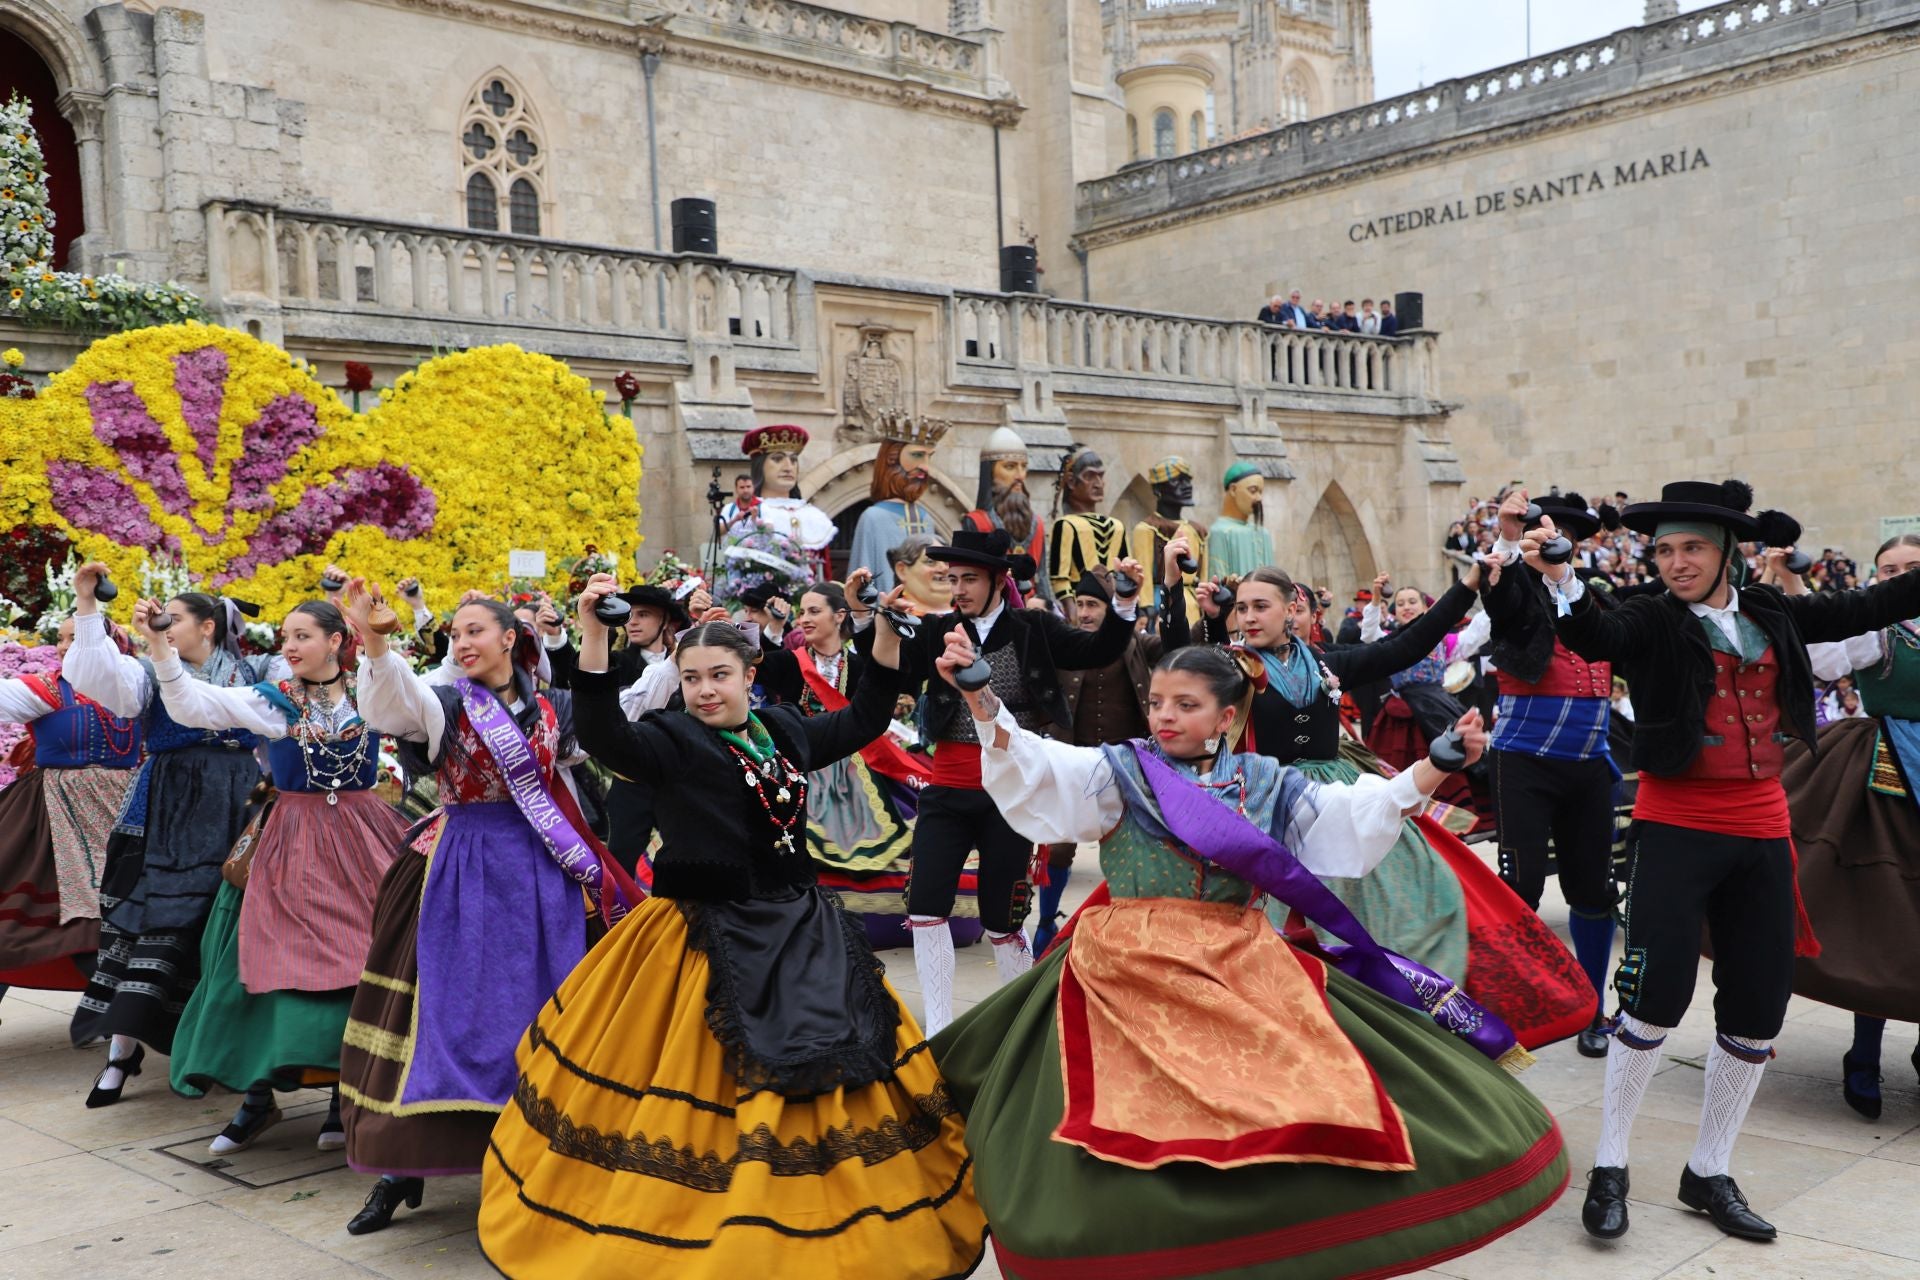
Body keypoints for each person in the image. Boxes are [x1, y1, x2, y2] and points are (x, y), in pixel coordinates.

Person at [927, 637, 1567, 1279]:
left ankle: (1276, 1242)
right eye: (1156, 703)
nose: (1164, 716)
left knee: (1303, 1096)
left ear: (1227, 716)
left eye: (1185, 703)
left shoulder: (1266, 783)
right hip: (1124, 965)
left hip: (1240, 956)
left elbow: (1349, 816)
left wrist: (1434, 764)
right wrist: (982, 697)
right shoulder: (1117, 770)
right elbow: (1038, 766)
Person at [476, 577, 987, 1278]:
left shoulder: (784, 729)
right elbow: (602, 735)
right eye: (691, 678)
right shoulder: (672, 740)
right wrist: (594, 636)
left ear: (751, 674)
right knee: (704, 1084)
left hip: (799, 926)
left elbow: (866, 716)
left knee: (835, 1062)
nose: (704, 690)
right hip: (699, 940)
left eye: (719, 675)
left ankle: (828, 1205)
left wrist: (888, 633)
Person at [1522, 479, 1920, 1243]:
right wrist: (1563, 576)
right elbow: (1594, 637)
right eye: (1665, 549)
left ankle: (1709, 1169)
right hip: (1675, 823)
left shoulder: (1770, 612)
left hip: (1765, 826)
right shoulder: (1649, 618)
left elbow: (1867, 608)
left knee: (1757, 1005)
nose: (1676, 562)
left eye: (1692, 548)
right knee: (1653, 997)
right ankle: (1611, 1164)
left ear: (1726, 553)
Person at [336, 585, 644, 1235]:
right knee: (442, 1017)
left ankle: (544, 1158)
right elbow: (394, 703)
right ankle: (403, 1168)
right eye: (456, 635)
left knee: (544, 1015)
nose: (464, 643)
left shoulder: (554, 707)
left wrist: (594, 629)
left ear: (511, 638)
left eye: (477, 631)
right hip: (462, 872)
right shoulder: (447, 702)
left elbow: (615, 713)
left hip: (540, 875)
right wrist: (377, 641)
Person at [148, 600, 406, 1154]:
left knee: (365, 963)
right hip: (296, 840)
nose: (287, 646)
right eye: (285, 636)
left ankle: (343, 1094)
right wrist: (160, 647)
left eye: (302, 636)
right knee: (273, 961)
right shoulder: (276, 702)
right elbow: (194, 705)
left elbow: (420, 696)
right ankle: (257, 1098)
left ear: (337, 641)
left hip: (366, 835)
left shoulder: (370, 694)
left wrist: (383, 632)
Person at [893, 527, 1142, 1034]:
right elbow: (886, 668)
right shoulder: (937, 628)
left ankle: (1022, 1026)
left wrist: (1124, 599)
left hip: (1012, 789)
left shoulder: (1032, 628)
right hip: (948, 783)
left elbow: (1099, 650)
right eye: (951, 578)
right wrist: (867, 617)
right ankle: (938, 1028)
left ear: (996, 580)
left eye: (968, 579)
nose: (957, 588)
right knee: (924, 905)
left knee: (1003, 917)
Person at [63, 569, 268, 1107]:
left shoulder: (252, 670)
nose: (164, 626)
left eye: (174, 620)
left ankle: (218, 1047)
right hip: (170, 806)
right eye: (161, 620)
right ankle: (120, 1053)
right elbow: (95, 673)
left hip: (238, 803)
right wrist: (87, 602)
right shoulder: (147, 673)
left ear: (207, 627)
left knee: (227, 924)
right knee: (152, 918)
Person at [1479, 490, 1625, 1059]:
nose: (1551, 543)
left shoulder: (1598, 600)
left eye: (1558, 536)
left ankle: (1591, 1008)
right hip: (1525, 765)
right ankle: (1506, 1008)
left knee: (1593, 890)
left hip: (1589, 767)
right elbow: (1501, 594)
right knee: (1520, 890)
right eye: (1542, 535)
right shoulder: (1516, 592)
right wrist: (1511, 541)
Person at [1793, 532, 1920, 1119]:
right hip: (1885, 775)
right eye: (1888, 568)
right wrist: (1793, 584)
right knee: (1881, 910)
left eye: (1911, 567)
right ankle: (1864, 1053)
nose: (1898, 575)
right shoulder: (1879, 631)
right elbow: (1821, 659)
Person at [753, 575, 929, 925]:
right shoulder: (789, 661)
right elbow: (757, 663)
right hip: (802, 762)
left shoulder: (860, 663)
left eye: (814, 611)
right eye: (801, 612)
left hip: (854, 765)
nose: (803, 618)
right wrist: (768, 627)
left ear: (839, 616)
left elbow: (887, 672)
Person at [0, 617, 142, 997]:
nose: (63, 647)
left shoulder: (135, 688)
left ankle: (125, 1014)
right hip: (50, 814)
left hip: (123, 811)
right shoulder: (47, 689)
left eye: (75, 638)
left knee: (121, 914)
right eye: (60, 639)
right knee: (23, 909)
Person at [1034, 562, 1166, 954]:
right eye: (1080, 604)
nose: (1086, 612)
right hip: (1072, 762)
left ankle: (1129, 927)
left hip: (1127, 766)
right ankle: (1045, 923)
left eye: (1094, 604)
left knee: (1132, 845)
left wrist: (1181, 598)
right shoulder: (1067, 647)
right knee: (1058, 844)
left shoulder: (1140, 644)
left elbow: (1181, 644)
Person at [849, 411, 949, 591]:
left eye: (929, 457)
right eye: (917, 455)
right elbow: (862, 578)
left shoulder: (924, 516)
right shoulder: (873, 517)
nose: (925, 467)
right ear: (892, 458)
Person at [962, 426, 1051, 604]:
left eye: (1024, 467)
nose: (1020, 476)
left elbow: (1042, 577)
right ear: (990, 473)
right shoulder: (977, 522)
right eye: (1010, 467)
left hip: (1031, 610)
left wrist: (1049, 610)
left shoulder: (1037, 523)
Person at [742, 424, 837, 579]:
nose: (788, 467)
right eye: (778, 459)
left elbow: (824, 573)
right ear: (759, 465)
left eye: (793, 460)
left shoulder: (813, 515)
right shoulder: (750, 512)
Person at [1129, 455, 1207, 629]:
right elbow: (1144, 574)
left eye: (1187, 481)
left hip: (1194, 604)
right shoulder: (1147, 528)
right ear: (1158, 489)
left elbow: (1203, 576)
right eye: (1178, 482)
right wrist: (1147, 606)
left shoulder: (1198, 530)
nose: (1187, 487)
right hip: (1162, 602)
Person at [1046, 445, 1125, 599]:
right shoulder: (1065, 525)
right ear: (1071, 481)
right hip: (1081, 605)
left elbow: (1124, 573)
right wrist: (1072, 612)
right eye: (1089, 476)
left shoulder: (1117, 526)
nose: (1098, 483)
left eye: (1100, 476)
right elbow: (1059, 578)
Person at [1207, 462, 1276, 579]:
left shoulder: (1264, 534)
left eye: (1260, 492)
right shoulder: (1219, 532)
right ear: (1233, 490)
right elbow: (1217, 580)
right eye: (1253, 491)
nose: (1259, 498)